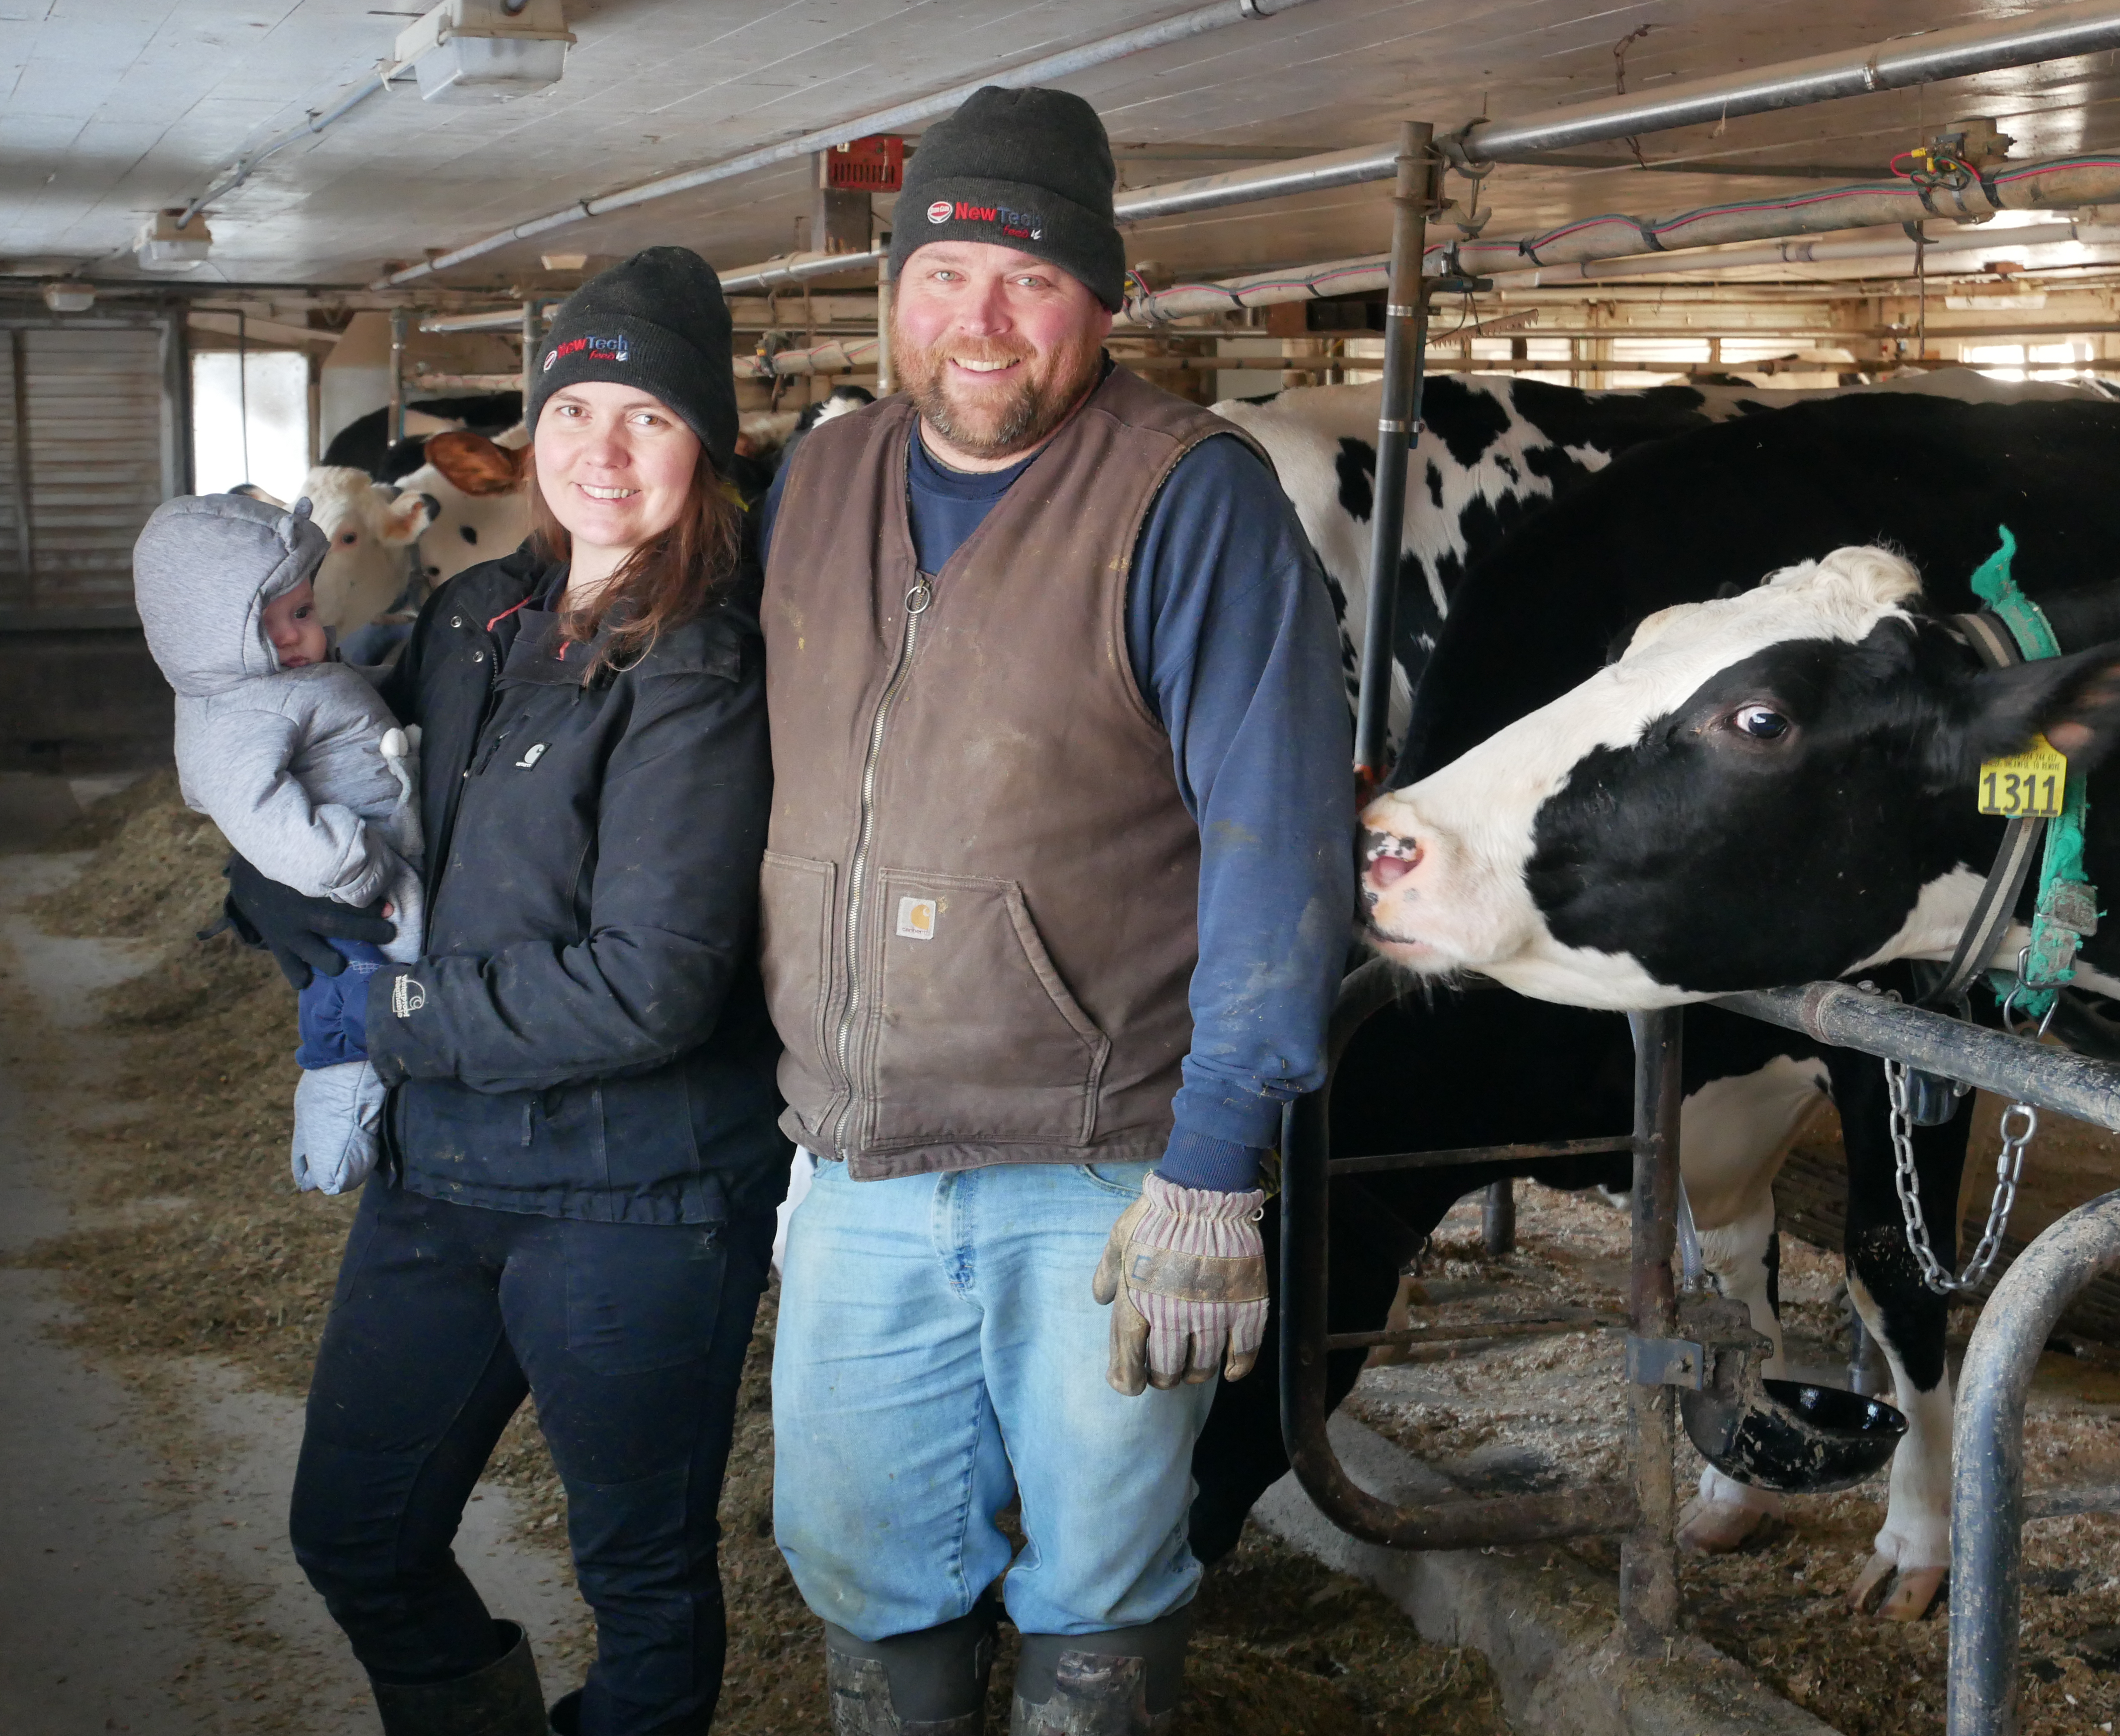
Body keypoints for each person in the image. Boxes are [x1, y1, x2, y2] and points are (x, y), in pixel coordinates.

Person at [756, 87, 1355, 1736]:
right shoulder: (821, 481)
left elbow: (1279, 841)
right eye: (946, 272)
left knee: (1097, 1568)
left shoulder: (1189, 497)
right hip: (860, 1155)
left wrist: (1213, 1166)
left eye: (1029, 280)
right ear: (896, 291)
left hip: (1098, 1169)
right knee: (858, 1554)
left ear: (1101, 300)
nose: (981, 319)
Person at [228, 246, 783, 1736]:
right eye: (578, 410)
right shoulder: (475, 617)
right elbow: (358, 822)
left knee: (643, 1580)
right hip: (442, 1174)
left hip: (637, 1193)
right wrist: (272, 865)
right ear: (531, 432)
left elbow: (653, 990)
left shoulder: (703, 670)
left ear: (705, 448)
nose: (604, 452)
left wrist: (391, 1020)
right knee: (353, 1534)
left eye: (650, 419)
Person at [134, 492, 425, 1196]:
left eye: (302, 613)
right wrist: (351, 866)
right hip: (356, 890)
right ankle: (331, 1143)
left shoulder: (290, 680)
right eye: (271, 626)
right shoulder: (234, 715)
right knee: (352, 1016)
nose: (300, 637)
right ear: (204, 635)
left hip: (392, 862)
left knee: (394, 1007)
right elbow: (255, 809)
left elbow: (355, 701)